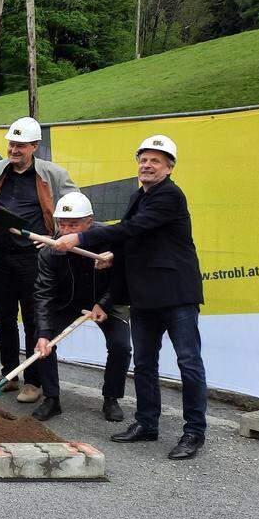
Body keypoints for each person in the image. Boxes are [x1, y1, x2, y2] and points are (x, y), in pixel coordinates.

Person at [52, 135, 207, 460]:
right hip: (145, 296)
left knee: (188, 363)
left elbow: (130, 230)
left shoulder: (169, 196)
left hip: (176, 294)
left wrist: (80, 236)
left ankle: (194, 433)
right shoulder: (141, 196)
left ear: (169, 167)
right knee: (145, 363)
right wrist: (112, 256)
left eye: (155, 160)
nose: (147, 165)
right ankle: (147, 423)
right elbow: (130, 240)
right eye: (143, 159)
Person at [0, 116, 78, 403]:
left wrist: (55, 241)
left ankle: (34, 382)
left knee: (33, 320)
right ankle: (9, 373)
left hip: (34, 259)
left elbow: (74, 209)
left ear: (34, 146)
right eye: (11, 143)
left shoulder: (52, 174)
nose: (14, 149)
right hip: (2, 257)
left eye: (20, 145)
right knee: (4, 317)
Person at [30, 192, 130, 422]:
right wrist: (44, 334)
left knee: (121, 346)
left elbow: (124, 277)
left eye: (73, 225)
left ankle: (111, 398)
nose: (65, 231)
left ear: (89, 221)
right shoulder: (50, 250)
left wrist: (103, 304)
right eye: (61, 224)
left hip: (110, 301)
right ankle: (51, 399)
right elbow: (43, 293)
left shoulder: (110, 240)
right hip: (68, 302)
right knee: (43, 340)